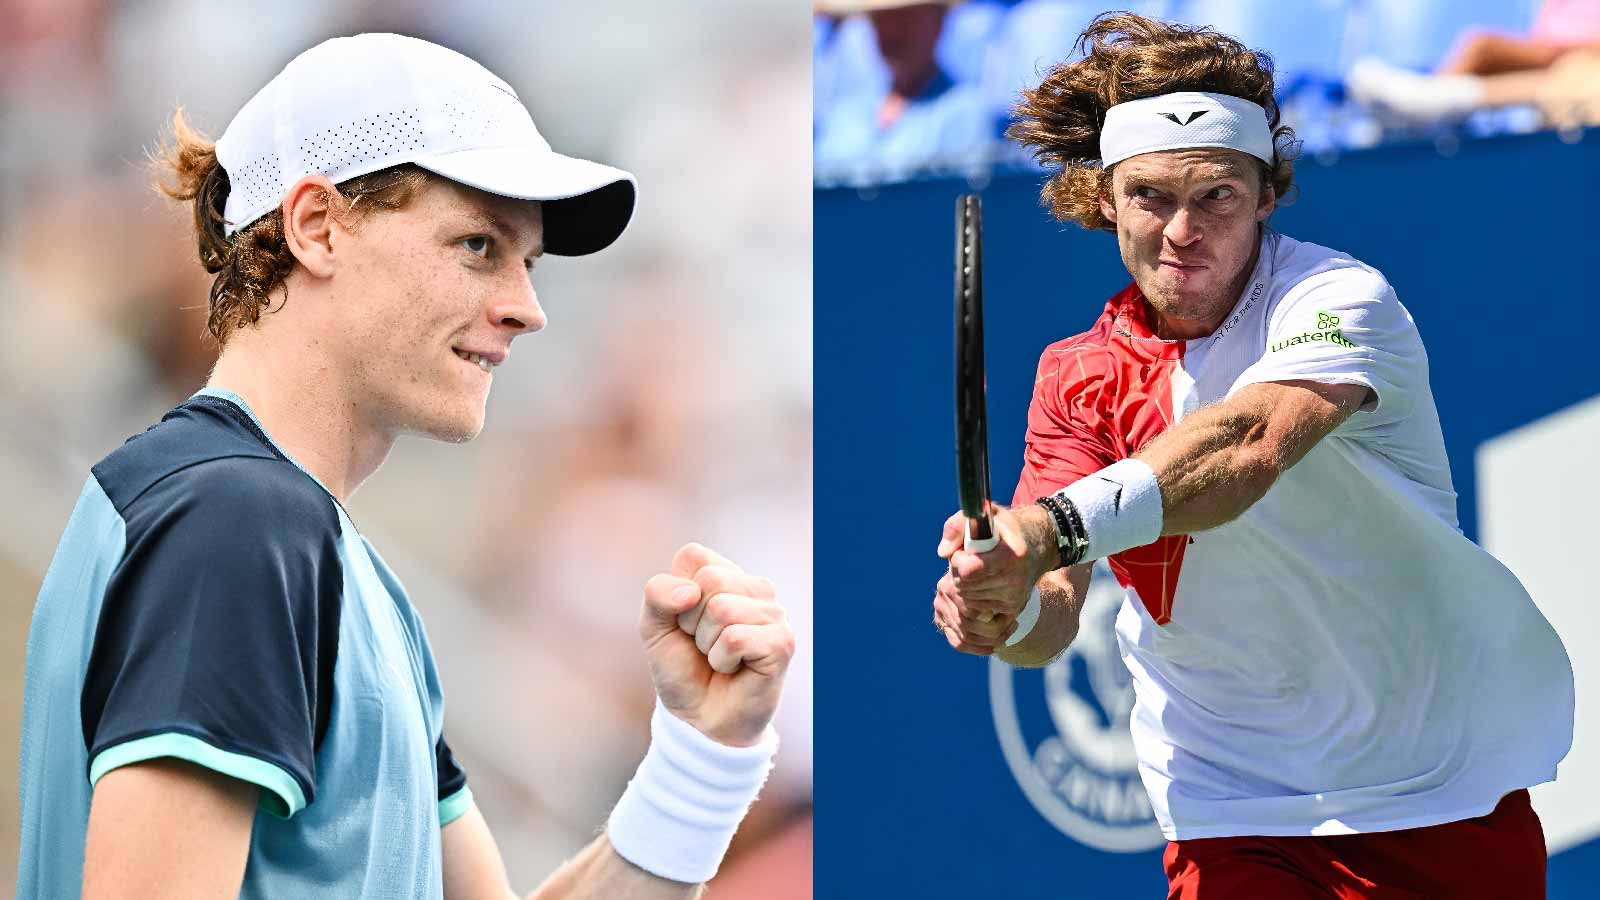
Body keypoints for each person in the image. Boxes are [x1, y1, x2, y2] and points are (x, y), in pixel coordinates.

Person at [17, 33, 795, 899]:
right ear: (316, 227)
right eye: (477, 246)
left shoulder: (312, 551)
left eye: (526, 262)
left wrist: (701, 757)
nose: (528, 309)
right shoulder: (238, 523)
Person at [930, 13, 1574, 899]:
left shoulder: (1340, 298)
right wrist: (1003, 609)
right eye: (1153, 195)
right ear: (1107, 198)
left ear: (1267, 194)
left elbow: (1246, 447)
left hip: (1437, 783)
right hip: (1228, 801)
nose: (1183, 230)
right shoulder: (1077, 378)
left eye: (1217, 196)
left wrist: (1045, 529)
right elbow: (1051, 617)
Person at [814, 0, 993, 182]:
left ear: (938, 23)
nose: (892, 33)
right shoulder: (845, 112)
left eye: (906, 20)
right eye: (882, 21)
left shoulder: (963, 112)